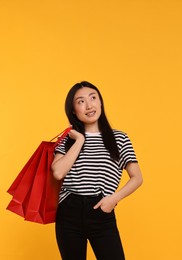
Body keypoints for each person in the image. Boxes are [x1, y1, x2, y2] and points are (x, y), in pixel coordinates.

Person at [51, 81, 143, 260]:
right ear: (73, 110)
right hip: (69, 211)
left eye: (93, 98)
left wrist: (113, 199)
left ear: (100, 102)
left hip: (101, 209)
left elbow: (137, 177)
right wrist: (79, 141)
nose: (89, 105)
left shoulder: (119, 138)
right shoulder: (68, 140)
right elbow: (58, 173)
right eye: (80, 101)